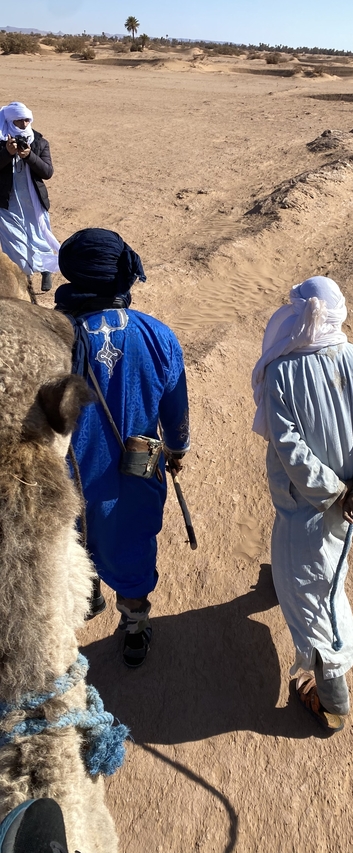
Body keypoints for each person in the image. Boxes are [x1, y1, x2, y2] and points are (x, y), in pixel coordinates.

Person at [252, 276, 353, 732]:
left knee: (313, 601)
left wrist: (335, 492)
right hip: (347, 504)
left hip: (307, 507)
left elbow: (290, 447)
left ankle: (332, 699)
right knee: (328, 564)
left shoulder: (283, 372)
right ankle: (279, 581)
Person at [55, 228, 190, 668]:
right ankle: (134, 626)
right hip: (134, 475)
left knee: (74, 540)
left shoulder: (54, 339)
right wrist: (178, 448)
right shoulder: (157, 335)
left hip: (67, 480)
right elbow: (175, 410)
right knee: (131, 543)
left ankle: (87, 593)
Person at [0, 101, 59, 292]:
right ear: (10, 121)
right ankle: (25, 277)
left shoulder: (40, 142)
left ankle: (45, 270)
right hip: (7, 203)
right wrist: (7, 153)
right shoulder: (1, 141)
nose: (24, 124)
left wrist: (29, 156)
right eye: (19, 121)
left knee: (38, 237)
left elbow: (47, 172)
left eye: (27, 120)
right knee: (15, 244)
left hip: (33, 202)